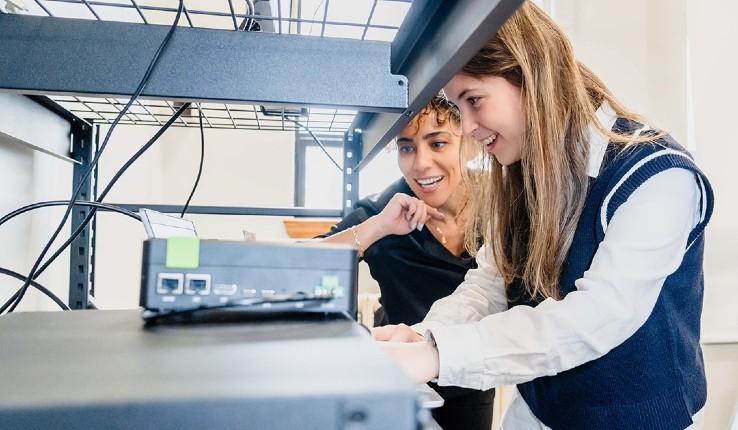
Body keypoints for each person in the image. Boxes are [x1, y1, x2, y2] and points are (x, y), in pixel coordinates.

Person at [372, 2, 714, 430]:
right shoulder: (520, 176)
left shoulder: (657, 176)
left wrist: (437, 355)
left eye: (474, 100)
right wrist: (425, 335)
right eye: (460, 109)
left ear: (532, 76)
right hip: (539, 412)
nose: (468, 127)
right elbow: (489, 286)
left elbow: (597, 317)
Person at [319, 95, 495, 430]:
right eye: (406, 148)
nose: (420, 163)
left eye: (438, 143)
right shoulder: (381, 210)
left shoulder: (500, 204)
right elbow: (304, 263)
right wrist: (378, 227)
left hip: (471, 376)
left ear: (470, 142)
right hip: (399, 375)